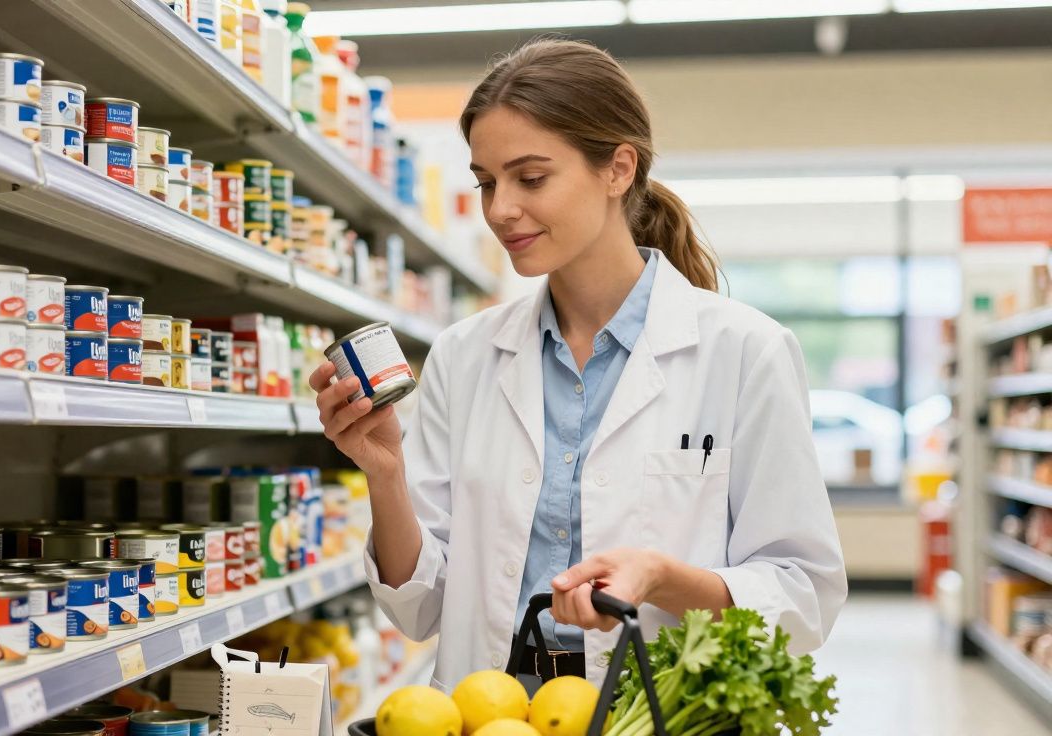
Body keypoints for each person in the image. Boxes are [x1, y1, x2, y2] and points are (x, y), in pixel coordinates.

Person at [309, 39, 847, 690]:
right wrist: (386, 475)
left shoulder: (743, 351)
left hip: (652, 710)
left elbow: (804, 594)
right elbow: (420, 607)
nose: (500, 209)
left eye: (530, 178)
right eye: (486, 182)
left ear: (618, 169)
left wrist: (663, 579)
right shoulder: (464, 355)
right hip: (493, 713)